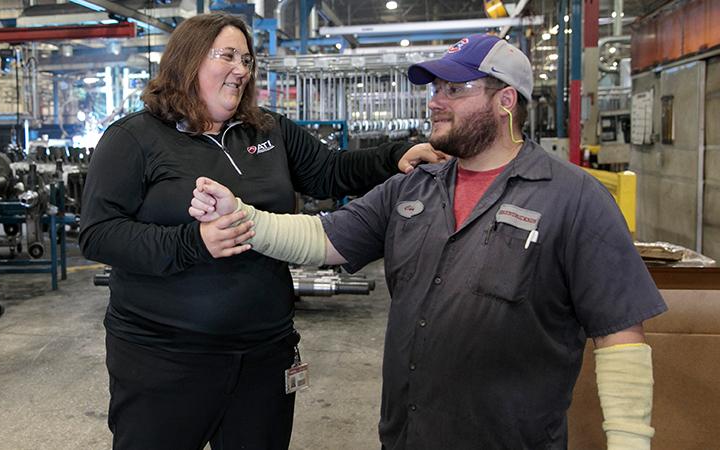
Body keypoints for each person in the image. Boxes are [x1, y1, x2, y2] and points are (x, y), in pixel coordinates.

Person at [191, 34, 668, 449]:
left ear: (505, 101)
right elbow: (322, 239)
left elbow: (619, 333)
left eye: (455, 89)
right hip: (407, 436)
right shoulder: (414, 186)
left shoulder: (574, 198)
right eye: (436, 88)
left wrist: (628, 441)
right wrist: (244, 216)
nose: (435, 101)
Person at [78, 12, 446, 450]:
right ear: (188, 60)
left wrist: (396, 157)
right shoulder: (134, 138)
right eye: (228, 56)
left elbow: (330, 172)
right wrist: (192, 243)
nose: (241, 70)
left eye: (247, 60)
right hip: (165, 357)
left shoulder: (268, 129)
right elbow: (99, 233)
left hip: (262, 352)